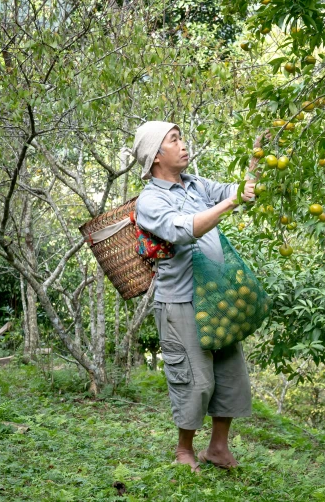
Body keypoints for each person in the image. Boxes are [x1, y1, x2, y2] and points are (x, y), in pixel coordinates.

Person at [132, 120, 256, 473]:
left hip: (216, 295)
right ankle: (184, 449)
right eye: (174, 140)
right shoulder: (151, 200)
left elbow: (234, 189)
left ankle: (218, 448)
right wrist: (231, 202)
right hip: (182, 300)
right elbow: (184, 230)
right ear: (157, 156)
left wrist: (251, 176)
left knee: (231, 373)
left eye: (181, 138)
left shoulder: (195, 184)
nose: (183, 144)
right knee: (195, 378)